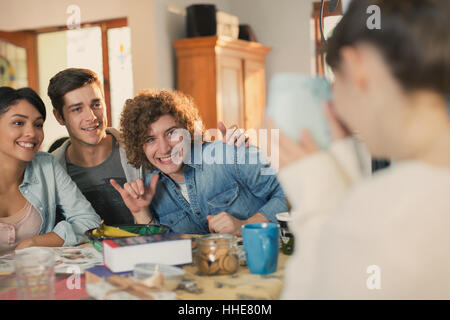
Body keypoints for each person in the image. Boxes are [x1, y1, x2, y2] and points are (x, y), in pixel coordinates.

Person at [270, 0, 450, 299]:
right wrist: (350, 199)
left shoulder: (388, 212)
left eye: (334, 81)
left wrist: (319, 210)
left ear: (357, 66)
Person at [47, 68, 248, 226]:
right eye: (77, 109)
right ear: (59, 116)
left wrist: (230, 146)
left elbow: (188, 149)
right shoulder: (50, 170)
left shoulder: (142, 147)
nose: (91, 117)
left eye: (96, 104)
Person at [110, 89, 288, 235]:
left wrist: (246, 225)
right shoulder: (150, 187)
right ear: (139, 146)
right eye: (150, 139)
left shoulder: (227, 153)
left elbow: (290, 194)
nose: (164, 148)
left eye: (171, 132)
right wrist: (140, 212)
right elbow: (161, 248)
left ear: (187, 129)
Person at [0, 87, 101, 255]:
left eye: (38, 125)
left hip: (37, 276)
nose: (32, 133)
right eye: (18, 123)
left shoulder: (46, 166)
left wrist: (35, 242)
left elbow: (90, 221)